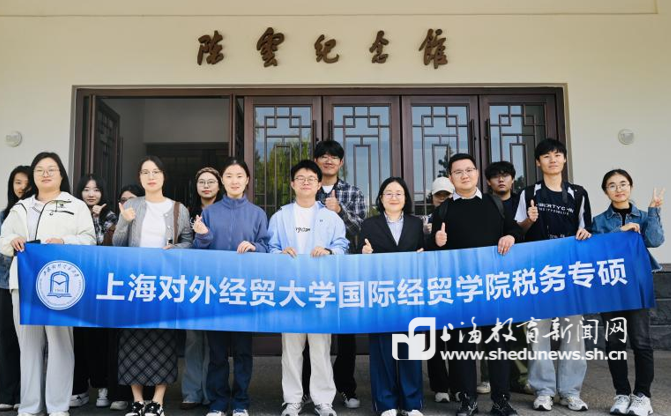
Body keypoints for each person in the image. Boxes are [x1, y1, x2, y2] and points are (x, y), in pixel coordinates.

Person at [0, 152, 96, 416]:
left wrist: (65, 241)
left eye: (51, 169)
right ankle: (30, 406)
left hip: (60, 287)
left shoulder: (75, 205)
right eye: (40, 169)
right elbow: (3, 240)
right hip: (24, 283)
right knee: (28, 346)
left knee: (60, 344)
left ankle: (57, 406)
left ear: (61, 175)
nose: (45, 174)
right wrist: (13, 241)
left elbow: (89, 239)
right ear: (33, 176)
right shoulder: (21, 207)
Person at [430, 153, 522, 416]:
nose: (465, 175)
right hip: (460, 289)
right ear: (451, 178)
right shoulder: (444, 210)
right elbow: (432, 251)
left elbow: (515, 230)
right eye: (458, 172)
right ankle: (467, 400)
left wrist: (510, 236)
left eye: (469, 170)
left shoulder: (494, 203)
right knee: (462, 347)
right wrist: (436, 242)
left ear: (477, 173)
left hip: (493, 287)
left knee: (498, 346)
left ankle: (501, 401)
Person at [515, 139, 592, 412]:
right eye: (546, 156)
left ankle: (570, 391)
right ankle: (544, 390)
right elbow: (517, 231)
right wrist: (530, 220)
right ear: (538, 162)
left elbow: (587, 229)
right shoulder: (528, 193)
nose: (553, 160)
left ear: (565, 159)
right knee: (539, 332)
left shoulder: (578, 193)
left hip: (571, 273)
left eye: (557, 155)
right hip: (538, 272)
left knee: (573, 332)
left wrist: (586, 233)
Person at [113, 156, 193, 416]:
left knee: (163, 338)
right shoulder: (131, 205)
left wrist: (176, 248)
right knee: (132, 338)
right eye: (145, 172)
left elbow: (189, 242)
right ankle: (137, 400)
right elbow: (117, 244)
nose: (151, 176)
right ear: (139, 177)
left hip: (165, 282)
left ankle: (158, 400)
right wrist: (124, 221)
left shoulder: (178, 209)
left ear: (163, 176)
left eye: (156, 171)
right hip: (135, 282)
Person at [268, 160, 348, 416]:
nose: (305, 182)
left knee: (321, 349)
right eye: (300, 178)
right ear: (292, 184)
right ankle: (292, 400)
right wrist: (280, 253)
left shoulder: (330, 217)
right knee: (291, 350)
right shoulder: (280, 216)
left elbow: (342, 246)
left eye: (311, 178)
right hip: (290, 291)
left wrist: (329, 251)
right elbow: (270, 248)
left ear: (318, 184)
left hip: (320, 291)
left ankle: (323, 400)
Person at [192, 158, 269, 416]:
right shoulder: (209, 213)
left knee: (243, 352)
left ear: (247, 180)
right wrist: (203, 235)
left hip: (245, 292)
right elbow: (197, 252)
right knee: (217, 353)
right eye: (229, 176)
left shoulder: (257, 214)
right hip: (215, 291)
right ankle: (218, 403)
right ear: (222, 181)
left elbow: (267, 247)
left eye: (239, 176)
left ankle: (241, 403)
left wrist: (255, 247)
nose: (234, 181)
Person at [592, 169, 664, 416]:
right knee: (615, 342)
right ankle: (621, 394)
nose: (618, 189)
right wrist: (619, 232)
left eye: (623, 184)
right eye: (612, 185)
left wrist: (654, 211)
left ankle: (642, 396)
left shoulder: (643, 216)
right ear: (606, 191)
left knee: (641, 341)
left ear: (630, 187)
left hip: (637, 286)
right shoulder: (599, 221)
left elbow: (655, 240)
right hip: (610, 288)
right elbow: (596, 249)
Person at [302, 140, 366, 409]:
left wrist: (340, 211)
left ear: (341, 163)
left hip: (344, 270)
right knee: (311, 331)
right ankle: (308, 389)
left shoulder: (353, 192)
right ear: (316, 161)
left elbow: (361, 229)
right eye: (323, 156)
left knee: (346, 334)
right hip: (312, 272)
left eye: (334, 157)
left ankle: (346, 387)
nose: (328, 161)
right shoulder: (307, 188)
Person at [360, 177, 425, 416]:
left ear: (406, 198)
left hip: (410, 293)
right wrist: (363, 253)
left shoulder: (416, 224)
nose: (394, 197)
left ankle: (411, 403)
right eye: (388, 193)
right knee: (382, 350)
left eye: (399, 193)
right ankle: (386, 403)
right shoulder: (369, 224)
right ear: (381, 198)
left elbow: (424, 253)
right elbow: (358, 256)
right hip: (381, 294)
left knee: (411, 349)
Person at [70, 174, 118, 409]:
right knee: (77, 338)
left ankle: (102, 386)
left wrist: (98, 218)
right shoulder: (71, 214)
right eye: (86, 189)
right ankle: (79, 389)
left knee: (99, 339)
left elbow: (102, 245)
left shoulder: (111, 216)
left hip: (101, 284)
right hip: (76, 284)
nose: (91, 194)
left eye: (96, 189)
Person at [484, 161, 531, 395]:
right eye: (496, 176)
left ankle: (520, 378)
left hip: (518, 271)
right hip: (490, 272)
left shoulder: (523, 201)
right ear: (488, 181)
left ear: (513, 179)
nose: (501, 180)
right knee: (489, 327)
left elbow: (526, 232)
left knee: (519, 327)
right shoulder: (483, 203)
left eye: (505, 175)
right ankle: (488, 378)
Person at [182, 167, 223, 411]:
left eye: (211, 182)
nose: (206, 186)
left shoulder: (225, 212)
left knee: (215, 341)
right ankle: (191, 392)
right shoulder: (187, 213)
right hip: (193, 281)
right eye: (201, 182)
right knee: (193, 338)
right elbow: (184, 243)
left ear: (219, 185)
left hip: (219, 281)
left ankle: (211, 392)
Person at [105, 184, 145, 412]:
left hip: (144, 287)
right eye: (123, 200)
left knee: (144, 341)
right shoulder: (115, 225)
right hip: (120, 288)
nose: (128, 204)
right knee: (120, 343)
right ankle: (119, 393)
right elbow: (111, 248)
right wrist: (124, 222)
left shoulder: (150, 222)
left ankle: (143, 396)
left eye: (132, 199)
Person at [421, 176, 454, 404]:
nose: (442, 199)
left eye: (447, 195)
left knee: (458, 337)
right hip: (432, 285)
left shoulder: (462, 216)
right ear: (432, 198)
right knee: (433, 338)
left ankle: (460, 386)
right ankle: (440, 387)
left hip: (459, 284)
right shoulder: (425, 222)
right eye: (438, 195)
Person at [0, 165, 29, 412]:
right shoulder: (3, 216)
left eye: (26, 183)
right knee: (7, 339)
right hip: (3, 284)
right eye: (17, 182)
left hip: (31, 285)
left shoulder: (38, 215)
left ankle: (26, 394)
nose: (22, 187)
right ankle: (8, 393)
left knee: (30, 343)